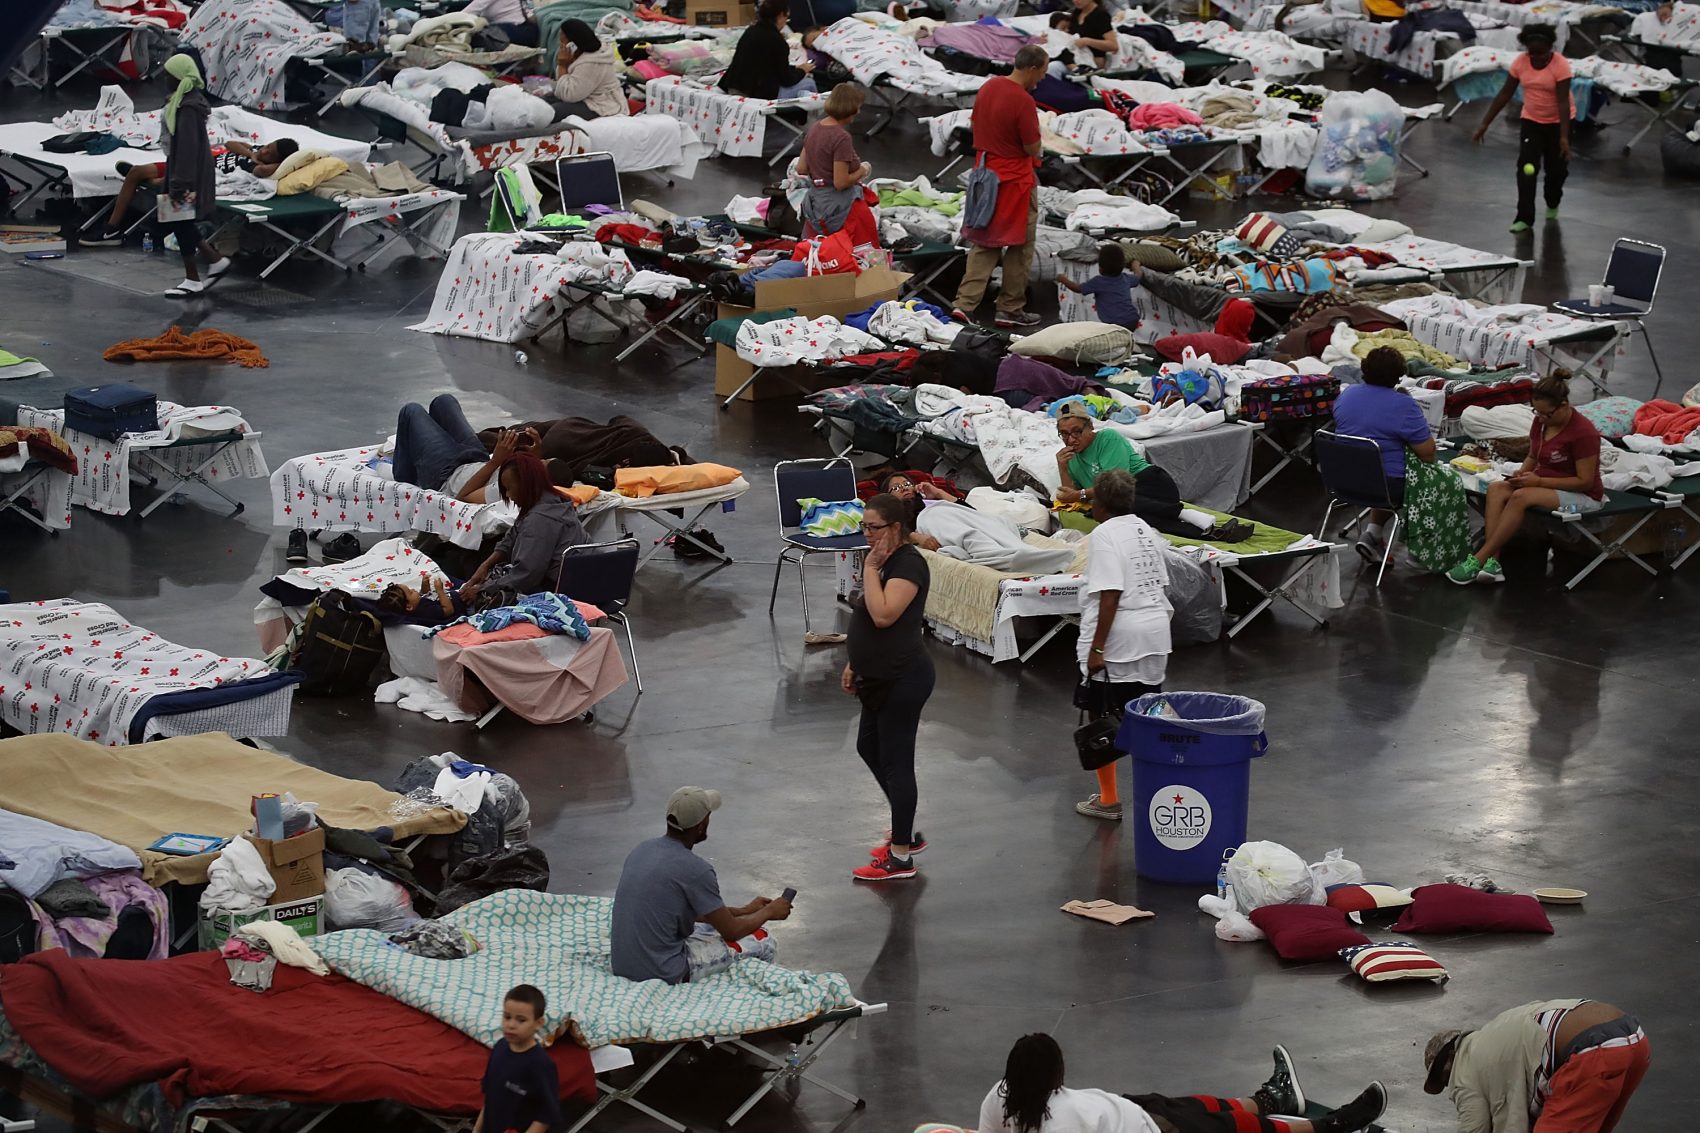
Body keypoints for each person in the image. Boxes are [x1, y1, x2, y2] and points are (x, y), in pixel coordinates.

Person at [981, 1033, 1388, 1133]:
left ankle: (1271, 1098)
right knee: (1228, 1127)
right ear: (1055, 1075)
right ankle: (1333, 1125)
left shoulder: (998, 1098)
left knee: (1192, 1103)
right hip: (1149, 1130)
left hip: (1124, 1108)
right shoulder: (1064, 1122)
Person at [609, 786, 792, 984]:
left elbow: (687, 912)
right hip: (660, 971)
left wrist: (744, 911)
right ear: (701, 826)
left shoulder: (642, 849)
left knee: (710, 928)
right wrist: (769, 912)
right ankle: (760, 998)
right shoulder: (696, 870)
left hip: (623, 965)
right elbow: (731, 931)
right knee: (763, 940)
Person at [841, 492, 933, 882]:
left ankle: (900, 857)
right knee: (869, 747)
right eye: (862, 526)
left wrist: (870, 570)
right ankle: (905, 831)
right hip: (876, 675)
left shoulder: (907, 565)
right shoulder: (884, 559)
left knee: (897, 764)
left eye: (873, 527)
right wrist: (854, 662)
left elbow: (883, 615)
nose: (866, 534)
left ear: (896, 528)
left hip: (902, 678)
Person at [1071, 470, 1171, 821]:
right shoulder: (1145, 529)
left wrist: (1097, 649)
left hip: (1122, 639)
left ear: (1100, 503)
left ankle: (1109, 799)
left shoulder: (1103, 535)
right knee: (1149, 716)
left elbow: (1110, 594)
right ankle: (1161, 798)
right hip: (1156, 634)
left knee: (1101, 718)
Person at [1447, 372, 1601, 585]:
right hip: (1545, 484)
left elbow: (1585, 481)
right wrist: (1521, 473)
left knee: (1521, 497)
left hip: (1581, 495)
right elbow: (1532, 455)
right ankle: (1494, 564)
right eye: (1536, 412)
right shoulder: (1541, 422)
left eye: (1546, 414)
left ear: (1564, 405)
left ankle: (1480, 558)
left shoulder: (1584, 433)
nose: (1540, 418)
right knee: (1497, 489)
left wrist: (1537, 482)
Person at [1423, 999, 1649, 1133]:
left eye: (1443, 1080)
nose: (1450, 1087)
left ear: (1448, 1060)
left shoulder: (1463, 1067)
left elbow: (1476, 1127)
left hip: (1594, 1051)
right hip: (1635, 1040)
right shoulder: (1497, 1032)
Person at [951, 45, 1048, 330]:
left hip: (984, 175)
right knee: (1019, 245)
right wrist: (1040, 148)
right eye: (1041, 73)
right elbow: (1032, 146)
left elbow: (977, 124)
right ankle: (1010, 307)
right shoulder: (1023, 100)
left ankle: (964, 304)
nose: (1041, 79)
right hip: (1015, 181)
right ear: (1032, 69)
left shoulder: (989, 87)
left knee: (984, 241)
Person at [1053, 403, 1242, 540]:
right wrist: (1062, 467)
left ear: (1091, 426)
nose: (1070, 440)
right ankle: (1213, 533)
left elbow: (1114, 484)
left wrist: (1080, 494)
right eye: (1064, 434)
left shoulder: (1107, 438)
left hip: (1150, 484)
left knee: (1117, 500)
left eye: (1076, 431)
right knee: (1130, 517)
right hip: (1129, 501)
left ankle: (1181, 513)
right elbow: (1069, 497)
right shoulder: (1070, 458)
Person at [1330, 345, 1438, 562]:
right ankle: (1426, 551)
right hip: (1385, 487)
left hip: (1341, 480)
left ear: (1365, 370)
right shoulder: (1403, 404)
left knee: (1379, 467)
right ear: (1398, 377)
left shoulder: (1347, 394)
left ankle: (1373, 535)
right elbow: (1428, 454)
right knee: (1437, 479)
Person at [85, 139, 298, 247]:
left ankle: (153, 192)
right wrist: (252, 152)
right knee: (135, 172)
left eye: (270, 152)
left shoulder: (258, 168)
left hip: (201, 175)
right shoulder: (255, 152)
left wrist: (273, 162)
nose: (265, 150)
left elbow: (265, 170)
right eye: (267, 146)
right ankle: (111, 229)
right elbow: (229, 143)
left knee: (166, 184)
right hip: (191, 163)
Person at [1472, 25, 1572, 233]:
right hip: (1531, 122)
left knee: (1556, 172)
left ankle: (1553, 202)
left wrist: (1564, 137)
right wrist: (1485, 123)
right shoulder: (1520, 62)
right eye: (1532, 53)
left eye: (1541, 54)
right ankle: (1525, 218)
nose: (1536, 58)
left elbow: (1563, 102)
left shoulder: (1561, 65)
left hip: (1557, 123)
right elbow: (1504, 94)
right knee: (1526, 171)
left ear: (1549, 47)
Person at [460, 453, 589, 604]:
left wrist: (482, 590)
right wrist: (486, 565)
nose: (508, 495)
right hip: (586, 578)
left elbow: (526, 575)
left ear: (526, 485)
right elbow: (512, 535)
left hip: (568, 590)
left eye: (509, 488)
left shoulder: (539, 520)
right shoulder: (552, 500)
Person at [153, 54, 232, 298]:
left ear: (178, 77)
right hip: (183, 169)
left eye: (168, 75)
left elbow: (187, 148)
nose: (164, 79)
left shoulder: (187, 108)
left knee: (180, 222)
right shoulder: (183, 102)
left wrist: (180, 182)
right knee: (180, 221)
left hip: (187, 172)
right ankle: (211, 263)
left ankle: (195, 276)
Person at [393, 394, 534, 504]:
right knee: (444, 401)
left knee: (411, 411)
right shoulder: (537, 474)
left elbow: (463, 497)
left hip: (447, 474)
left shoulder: (513, 491)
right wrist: (534, 451)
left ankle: (405, 477)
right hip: (477, 458)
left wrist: (496, 461)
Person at [794, 82, 877, 246]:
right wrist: (863, 170)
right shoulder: (841, 137)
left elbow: (801, 168)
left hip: (815, 202)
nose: (859, 111)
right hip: (842, 207)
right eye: (858, 107)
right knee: (863, 253)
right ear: (849, 108)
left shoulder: (815, 128)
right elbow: (840, 182)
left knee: (815, 252)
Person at [473, 984, 561, 1133]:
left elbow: (546, 1115)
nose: (511, 1025)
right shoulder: (500, 1048)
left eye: (521, 1020)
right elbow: (489, 1097)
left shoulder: (540, 1064)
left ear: (538, 1023)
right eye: (507, 1017)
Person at [720, 0, 816, 101]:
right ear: (780, 17)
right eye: (786, 17)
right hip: (756, 95)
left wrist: (794, 68)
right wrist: (802, 70)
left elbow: (765, 65)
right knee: (809, 83)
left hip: (734, 87)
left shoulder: (750, 31)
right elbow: (787, 80)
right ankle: (813, 116)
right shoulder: (776, 40)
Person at [1059, 243, 1143, 333]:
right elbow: (1138, 276)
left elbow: (1078, 288)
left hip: (1114, 324)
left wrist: (1063, 279)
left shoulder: (1098, 282)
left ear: (1101, 268)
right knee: (1126, 339)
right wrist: (1136, 265)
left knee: (1115, 341)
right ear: (1122, 266)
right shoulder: (1125, 278)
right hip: (1132, 319)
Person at [553, 20, 628, 119]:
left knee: (551, 112)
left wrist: (563, 65)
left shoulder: (592, 62)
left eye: (563, 40)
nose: (561, 44)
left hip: (601, 104)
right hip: (583, 97)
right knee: (541, 103)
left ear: (572, 43)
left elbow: (570, 95)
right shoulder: (578, 54)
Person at [375, 574, 467, 625]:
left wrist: (424, 588)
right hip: (466, 603)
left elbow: (424, 597)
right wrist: (440, 591)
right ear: (409, 606)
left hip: (458, 593)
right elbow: (448, 610)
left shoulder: (417, 604)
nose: (414, 590)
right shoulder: (425, 610)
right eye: (411, 592)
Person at [463, 0, 539, 46]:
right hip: (522, 30)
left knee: (473, 36)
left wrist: (452, 22)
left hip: (519, 30)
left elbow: (471, 10)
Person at [1070, 0, 1119, 66]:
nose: (1076, 1)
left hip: (1095, 61)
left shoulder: (1100, 15)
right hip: (1076, 57)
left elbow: (1113, 45)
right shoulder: (1076, 14)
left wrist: (1087, 41)